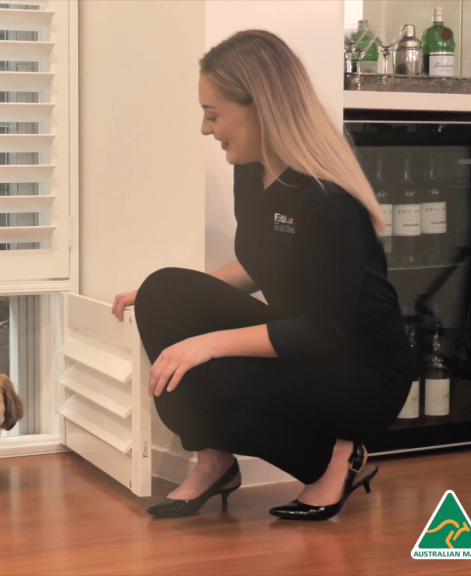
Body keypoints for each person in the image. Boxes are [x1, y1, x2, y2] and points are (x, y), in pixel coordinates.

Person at [111, 30, 413, 521]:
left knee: (204, 376)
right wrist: (165, 298)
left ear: (260, 107)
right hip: (304, 347)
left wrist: (206, 343)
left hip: (359, 373)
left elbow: (321, 331)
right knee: (165, 288)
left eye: (213, 114)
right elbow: (261, 263)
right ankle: (215, 461)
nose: (206, 129)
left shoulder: (327, 200)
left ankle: (335, 457)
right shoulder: (253, 171)